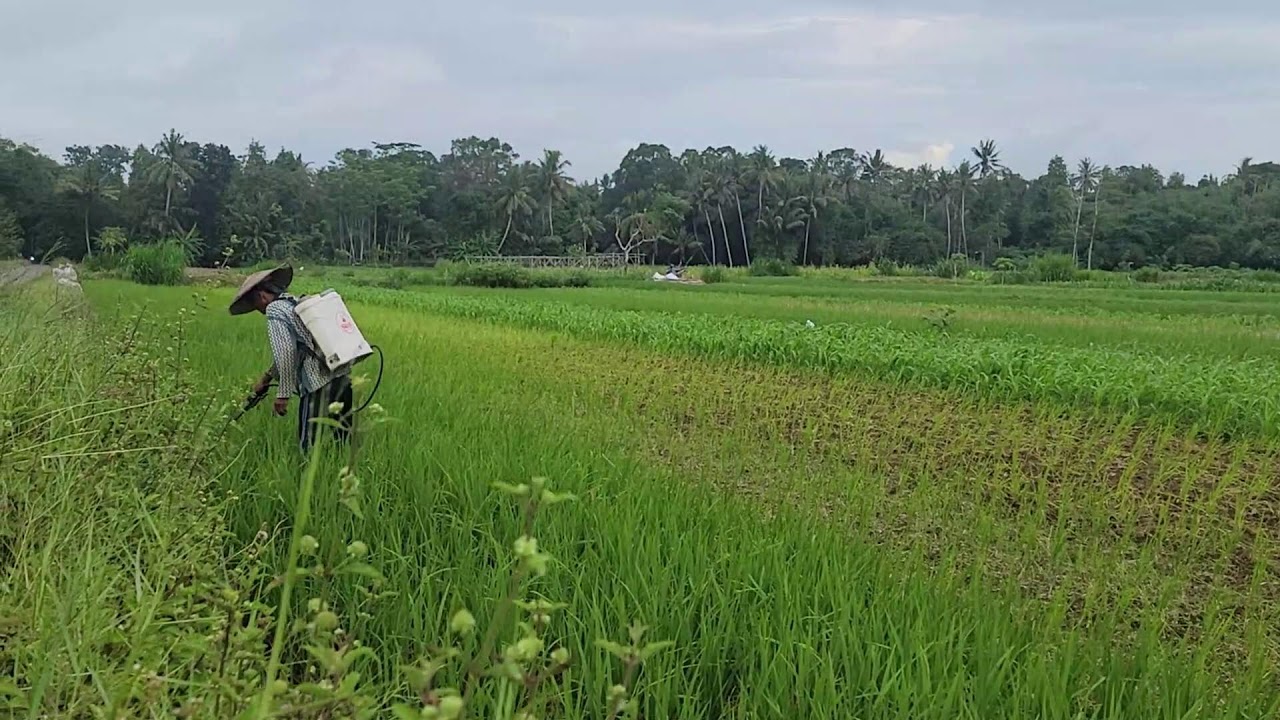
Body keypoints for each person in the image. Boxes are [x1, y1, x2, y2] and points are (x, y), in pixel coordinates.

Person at [228, 265, 353, 452]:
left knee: (308, 447)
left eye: (256, 306)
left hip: (316, 383)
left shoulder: (274, 310)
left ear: (262, 297)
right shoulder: (294, 303)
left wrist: (283, 394)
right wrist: (266, 378)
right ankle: (343, 474)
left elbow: (286, 352)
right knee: (343, 440)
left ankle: (306, 479)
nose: (259, 310)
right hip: (341, 376)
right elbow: (297, 349)